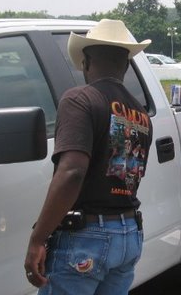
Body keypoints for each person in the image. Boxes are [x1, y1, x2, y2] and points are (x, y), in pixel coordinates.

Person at [24, 19, 153, 295]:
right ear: (127, 64)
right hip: (129, 234)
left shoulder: (79, 99)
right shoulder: (141, 113)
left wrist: (38, 238)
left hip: (87, 239)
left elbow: (73, 173)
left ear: (85, 62)